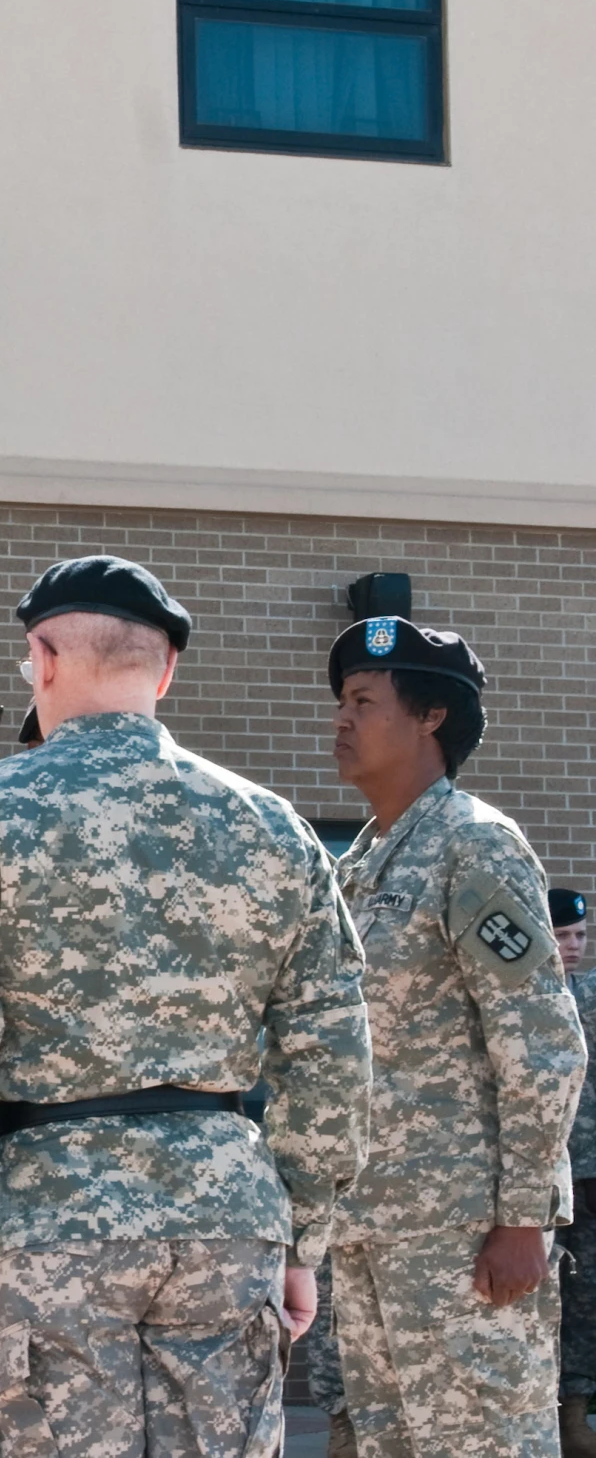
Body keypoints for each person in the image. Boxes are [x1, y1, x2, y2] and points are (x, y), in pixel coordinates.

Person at [0, 555, 374, 1458]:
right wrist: (302, 1237)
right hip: (227, 1218)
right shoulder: (273, 826)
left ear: (43, 656)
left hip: (51, 1217)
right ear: (165, 670)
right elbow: (333, 1051)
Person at [323, 616, 585, 1458]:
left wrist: (522, 1219)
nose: (342, 718)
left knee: (484, 1443)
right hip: (370, 1226)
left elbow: (541, 1040)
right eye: (341, 702)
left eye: (364, 700)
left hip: (463, 1237)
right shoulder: (361, 864)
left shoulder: (474, 846)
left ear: (431, 716)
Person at [556, 888, 596, 1458]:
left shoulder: (589, 998)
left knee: (584, 1303)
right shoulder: (517, 996)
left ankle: (575, 1415)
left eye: (580, 936)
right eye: (563, 935)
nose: (573, 946)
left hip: (588, 1182)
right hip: (533, 1186)